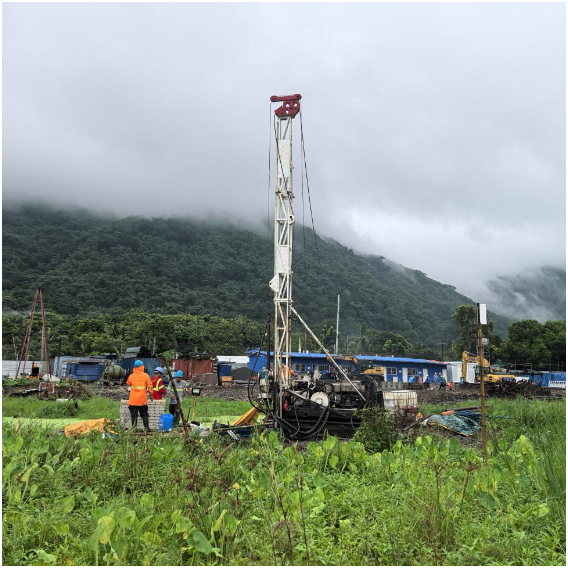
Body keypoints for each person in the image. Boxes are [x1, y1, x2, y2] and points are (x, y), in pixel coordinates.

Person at [126, 359, 153, 431]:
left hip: (133, 400)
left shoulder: (131, 376)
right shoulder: (146, 376)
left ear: (135, 367)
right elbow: (150, 386)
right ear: (142, 367)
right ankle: (147, 428)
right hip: (142, 400)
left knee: (133, 415)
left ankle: (134, 429)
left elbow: (128, 384)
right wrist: (151, 394)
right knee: (144, 414)